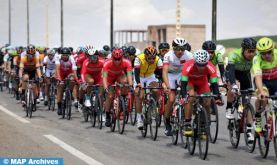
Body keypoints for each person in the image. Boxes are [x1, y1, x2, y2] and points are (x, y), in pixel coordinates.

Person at [180, 49, 223, 136]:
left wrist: (217, 97)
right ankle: (187, 123)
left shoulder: (211, 67)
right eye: (199, 65)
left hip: (202, 82)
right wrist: (184, 96)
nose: (201, 67)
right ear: (195, 61)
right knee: (191, 98)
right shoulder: (188, 65)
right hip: (190, 82)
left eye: (203, 65)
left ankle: (203, 123)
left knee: (207, 101)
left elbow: (214, 84)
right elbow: (183, 83)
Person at [162, 37, 193, 136]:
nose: (180, 51)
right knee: (171, 99)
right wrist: (167, 86)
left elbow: (192, 71)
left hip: (182, 75)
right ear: (173, 48)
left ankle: (186, 117)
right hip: (170, 75)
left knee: (189, 95)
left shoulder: (189, 55)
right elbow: (165, 72)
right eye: (177, 49)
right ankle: (167, 122)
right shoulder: (168, 56)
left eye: (182, 49)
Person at [134, 46, 163, 130]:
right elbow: (136, 73)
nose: (151, 60)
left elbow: (161, 74)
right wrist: (139, 84)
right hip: (139, 76)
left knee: (156, 89)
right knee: (140, 95)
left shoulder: (158, 60)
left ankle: (154, 105)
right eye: (149, 58)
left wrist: (162, 83)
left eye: (153, 58)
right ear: (145, 56)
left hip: (150, 76)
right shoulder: (138, 58)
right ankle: (139, 118)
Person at [102, 48, 133, 127]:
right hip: (109, 79)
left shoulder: (127, 62)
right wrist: (106, 88)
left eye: (119, 59)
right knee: (110, 95)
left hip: (119, 76)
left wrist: (131, 85)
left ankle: (122, 100)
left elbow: (129, 75)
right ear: (112, 57)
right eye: (115, 59)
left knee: (125, 83)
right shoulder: (106, 63)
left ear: (122, 58)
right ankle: (108, 114)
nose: (117, 61)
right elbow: (104, 77)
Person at [252, 37, 277, 134]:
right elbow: (258, 77)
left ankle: (272, 117)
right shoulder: (256, 59)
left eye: (268, 52)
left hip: (275, 80)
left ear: (272, 49)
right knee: (263, 97)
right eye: (263, 53)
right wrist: (261, 91)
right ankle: (258, 116)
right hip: (263, 81)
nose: (266, 55)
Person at [55, 47, 78, 115]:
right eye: (63, 55)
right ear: (61, 54)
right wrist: (59, 79)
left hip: (69, 72)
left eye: (66, 55)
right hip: (61, 73)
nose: (65, 56)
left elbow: (74, 70)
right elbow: (57, 69)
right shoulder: (58, 57)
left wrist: (76, 79)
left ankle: (70, 93)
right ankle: (59, 106)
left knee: (72, 79)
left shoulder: (71, 58)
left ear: (69, 55)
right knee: (60, 88)